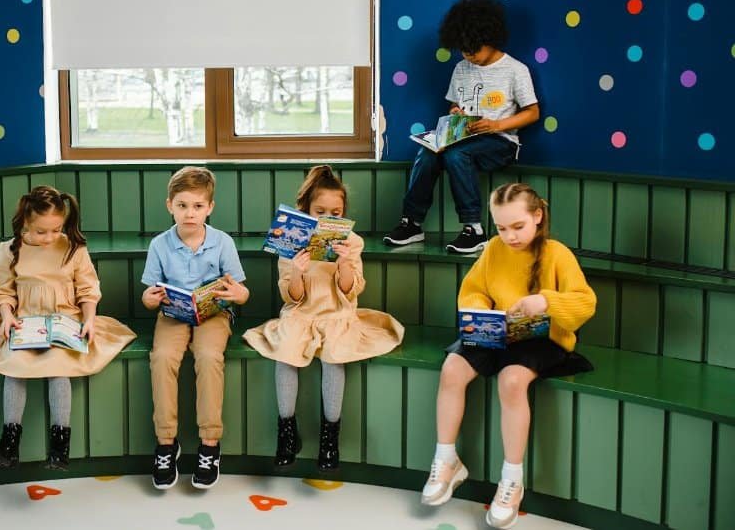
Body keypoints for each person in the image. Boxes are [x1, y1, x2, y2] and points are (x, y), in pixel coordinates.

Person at [420, 183, 596, 529]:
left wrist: (546, 301)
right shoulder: (495, 250)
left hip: (544, 338)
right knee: (452, 368)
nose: (510, 236)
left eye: (517, 226)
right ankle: (446, 459)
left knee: (512, 380)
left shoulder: (557, 254)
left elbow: (585, 302)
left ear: (538, 216)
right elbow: (473, 290)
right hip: (497, 332)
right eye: (501, 227)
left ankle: (512, 480)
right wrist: (480, 310)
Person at [243, 165, 404, 471]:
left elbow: (350, 290)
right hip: (301, 313)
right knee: (286, 352)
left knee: (334, 355)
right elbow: (291, 297)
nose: (328, 217)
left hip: (336, 313)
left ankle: (330, 438)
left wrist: (344, 262)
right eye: (320, 211)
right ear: (305, 210)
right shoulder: (290, 240)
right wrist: (298, 271)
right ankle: (286, 431)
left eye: (336, 212)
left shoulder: (352, 242)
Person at [0, 186, 135, 470]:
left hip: (66, 320)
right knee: (14, 367)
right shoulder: (9, 250)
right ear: (25, 223)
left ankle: (60, 445)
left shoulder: (73, 248)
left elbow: (88, 289)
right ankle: (9, 441)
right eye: (40, 232)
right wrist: (6, 316)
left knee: (58, 368)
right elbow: (3, 292)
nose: (49, 238)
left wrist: (90, 319)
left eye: (56, 230)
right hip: (25, 322)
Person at [383, 0, 540, 254]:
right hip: (464, 137)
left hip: (501, 142)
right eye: (463, 50)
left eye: (474, 50)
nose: (469, 56)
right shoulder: (461, 68)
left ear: (490, 39)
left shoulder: (515, 70)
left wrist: (497, 125)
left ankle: (473, 229)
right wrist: (455, 113)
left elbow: (532, 112)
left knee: (457, 154)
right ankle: (411, 223)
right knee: (427, 152)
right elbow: (454, 106)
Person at [140, 166, 250, 490]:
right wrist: (149, 299)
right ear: (169, 206)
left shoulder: (222, 243)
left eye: (198, 206)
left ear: (210, 208)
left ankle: (210, 444)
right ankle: (165, 442)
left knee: (208, 357)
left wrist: (236, 294)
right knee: (161, 358)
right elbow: (148, 296)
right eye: (182, 206)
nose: (190, 214)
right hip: (173, 314)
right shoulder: (160, 245)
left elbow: (242, 291)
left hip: (213, 314)